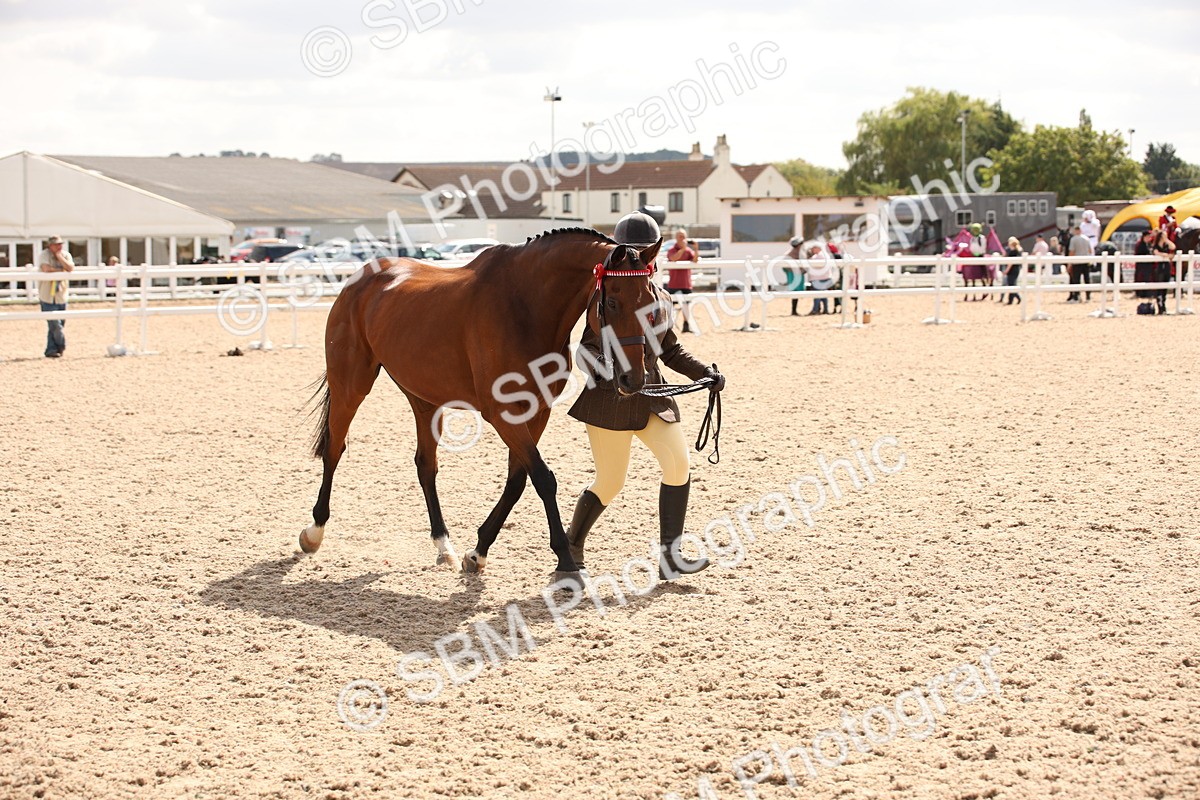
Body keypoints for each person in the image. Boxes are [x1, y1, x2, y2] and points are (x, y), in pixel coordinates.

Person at [565, 212, 726, 579]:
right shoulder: (603, 298)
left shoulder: (663, 300)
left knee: (679, 465)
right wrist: (612, 368)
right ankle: (571, 547)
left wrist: (706, 373)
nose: (639, 258)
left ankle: (671, 557)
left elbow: (670, 351)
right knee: (610, 481)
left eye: (644, 253)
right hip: (608, 400)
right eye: (632, 252)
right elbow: (584, 352)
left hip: (653, 394)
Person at [37, 235, 74, 358]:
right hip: (47, 294)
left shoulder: (65, 255)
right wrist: (61, 270)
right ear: (50, 246)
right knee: (54, 324)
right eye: (56, 244)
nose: (59, 246)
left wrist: (59, 257)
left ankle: (51, 349)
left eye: (60, 244)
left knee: (58, 324)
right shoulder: (44, 255)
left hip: (61, 295)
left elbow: (70, 268)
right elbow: (45, 268)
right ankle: (61, 345)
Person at [665, 229, 695, 332]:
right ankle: (669, 327)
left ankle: (686, 326)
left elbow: (695, 260)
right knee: (670, 307)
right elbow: (673, 258)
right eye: (680, 236)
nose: (682, 238)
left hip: (686, 284)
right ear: (676, 237)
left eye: (683, 236)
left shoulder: (688, 251)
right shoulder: (672, 250)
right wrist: (682, 249)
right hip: (674, 284)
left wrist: (696, 248)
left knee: (686, 306)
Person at [803, 244, 836, 314]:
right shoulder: (823, 254)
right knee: (823, 294)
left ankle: (816, 309)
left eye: (813, 248)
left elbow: (811, 263)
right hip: (824, 277)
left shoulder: (820, 255)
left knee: (817, 295)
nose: (812, 250)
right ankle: (825, 309)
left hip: (819, 278)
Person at [1066, 225, 1093, 303]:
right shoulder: (1087, 239)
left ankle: (1077, 296)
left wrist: (1069, 263)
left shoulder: (1073, 239)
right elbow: (1090, 250)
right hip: (1086, 261)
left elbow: (1072, 252)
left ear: (1075, 231)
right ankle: (1088, 297)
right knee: (1087, 279)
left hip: (1077, 262)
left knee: (1076, 279)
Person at [1003, 236, 1023, 305]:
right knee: (1012, 284)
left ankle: (1016, 298)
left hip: (1012, 270)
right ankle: (1012, 299)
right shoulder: (1019, 250)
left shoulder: (1013, 252)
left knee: (1011, 284)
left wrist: (1006, 271)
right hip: (1016, 269)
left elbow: (1010, 263)